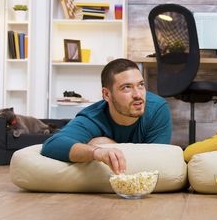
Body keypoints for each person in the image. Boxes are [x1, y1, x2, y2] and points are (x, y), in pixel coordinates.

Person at [41, 58, 172, 174]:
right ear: (106, 95)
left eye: (141, 85)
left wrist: (111, 147)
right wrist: (96, 152)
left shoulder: (157, 109)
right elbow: (52, 145)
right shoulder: (92, 117)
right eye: (127, 87)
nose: (138, 94)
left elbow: (156, 160)